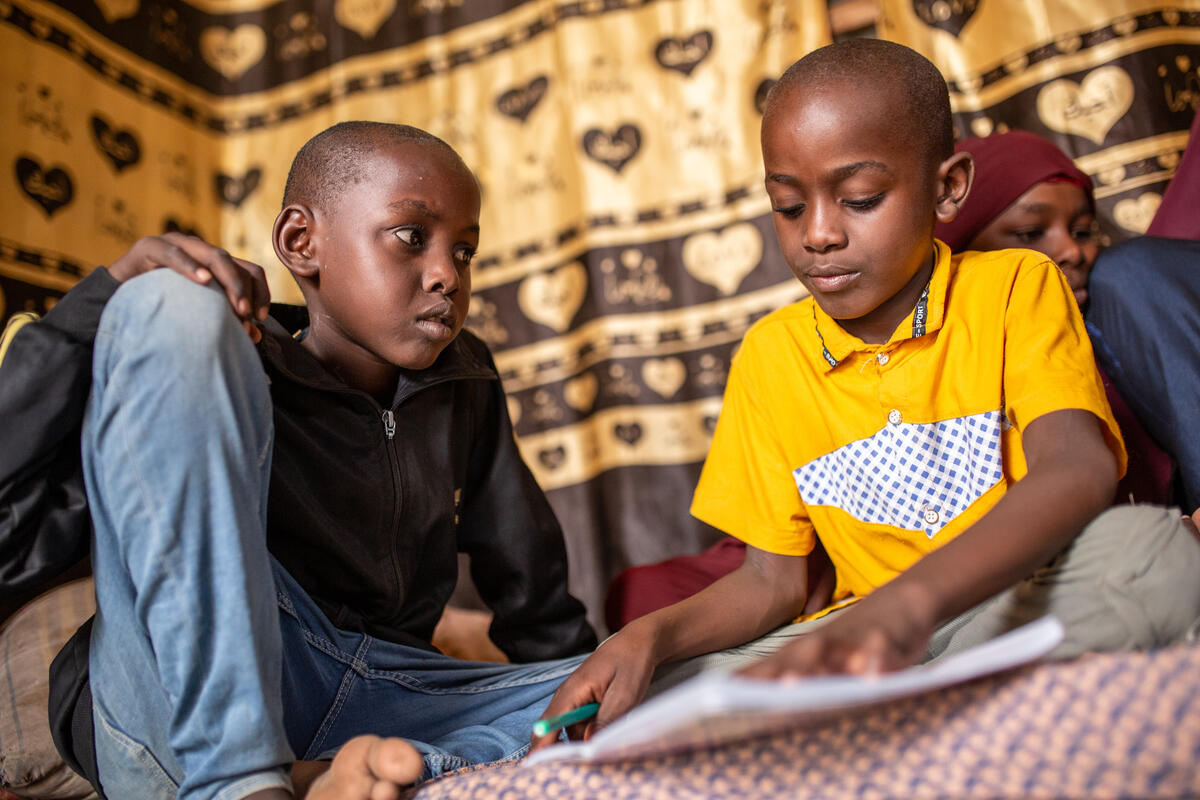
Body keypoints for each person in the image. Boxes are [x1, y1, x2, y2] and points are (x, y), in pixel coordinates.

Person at [530, 40, 1200, 749]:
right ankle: (927, 716)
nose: (818, 234)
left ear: (947, 188)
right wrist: (648, 638)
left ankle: (890, 725)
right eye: (789, 207)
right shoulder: (771, 356)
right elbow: (772, 583)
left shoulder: (1013, 289)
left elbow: (1080, 469)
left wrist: (910, 607)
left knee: (1151, 553)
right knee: (651, 695)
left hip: (1005, 605)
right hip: (859, 644)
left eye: (859, 200)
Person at [0, 121, 596, 800]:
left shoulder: (466, 381)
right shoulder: (216, 363)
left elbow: (531, 585)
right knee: (169, 302)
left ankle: (332, 778)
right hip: (190, 713)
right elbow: (9, 539)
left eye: (464, 251)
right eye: (412, 237)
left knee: (674, 676)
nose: (446, 275)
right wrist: (100, 302)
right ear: (300, 243)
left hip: (389, 692)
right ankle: (245, 780)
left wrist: (593, 689)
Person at [935, 129, 1175, 508]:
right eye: (1031, 233)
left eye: (1082, 232)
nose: (1070, 251)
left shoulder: (1121, 337)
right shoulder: (933, 378)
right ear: (961, 246)